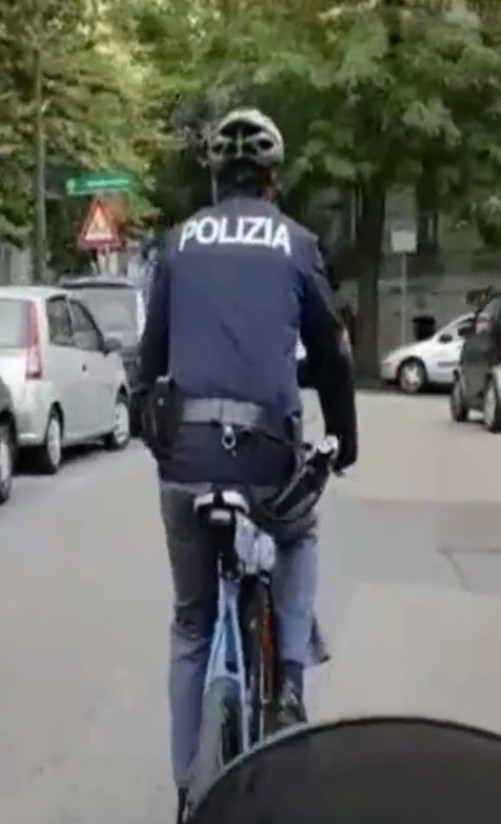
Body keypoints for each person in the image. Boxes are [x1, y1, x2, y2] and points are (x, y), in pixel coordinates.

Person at [135, 108, 358, 823]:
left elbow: (150, 362)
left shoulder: (176, 243)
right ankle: (289, 683)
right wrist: (344, 440)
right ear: (274, 180)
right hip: (268, 458)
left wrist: (160, 441)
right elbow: (331, 354)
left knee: (192, 624)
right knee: (299, 534)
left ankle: (183, 792)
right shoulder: (296, 244)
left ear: (213, 177)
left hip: (187, 459)